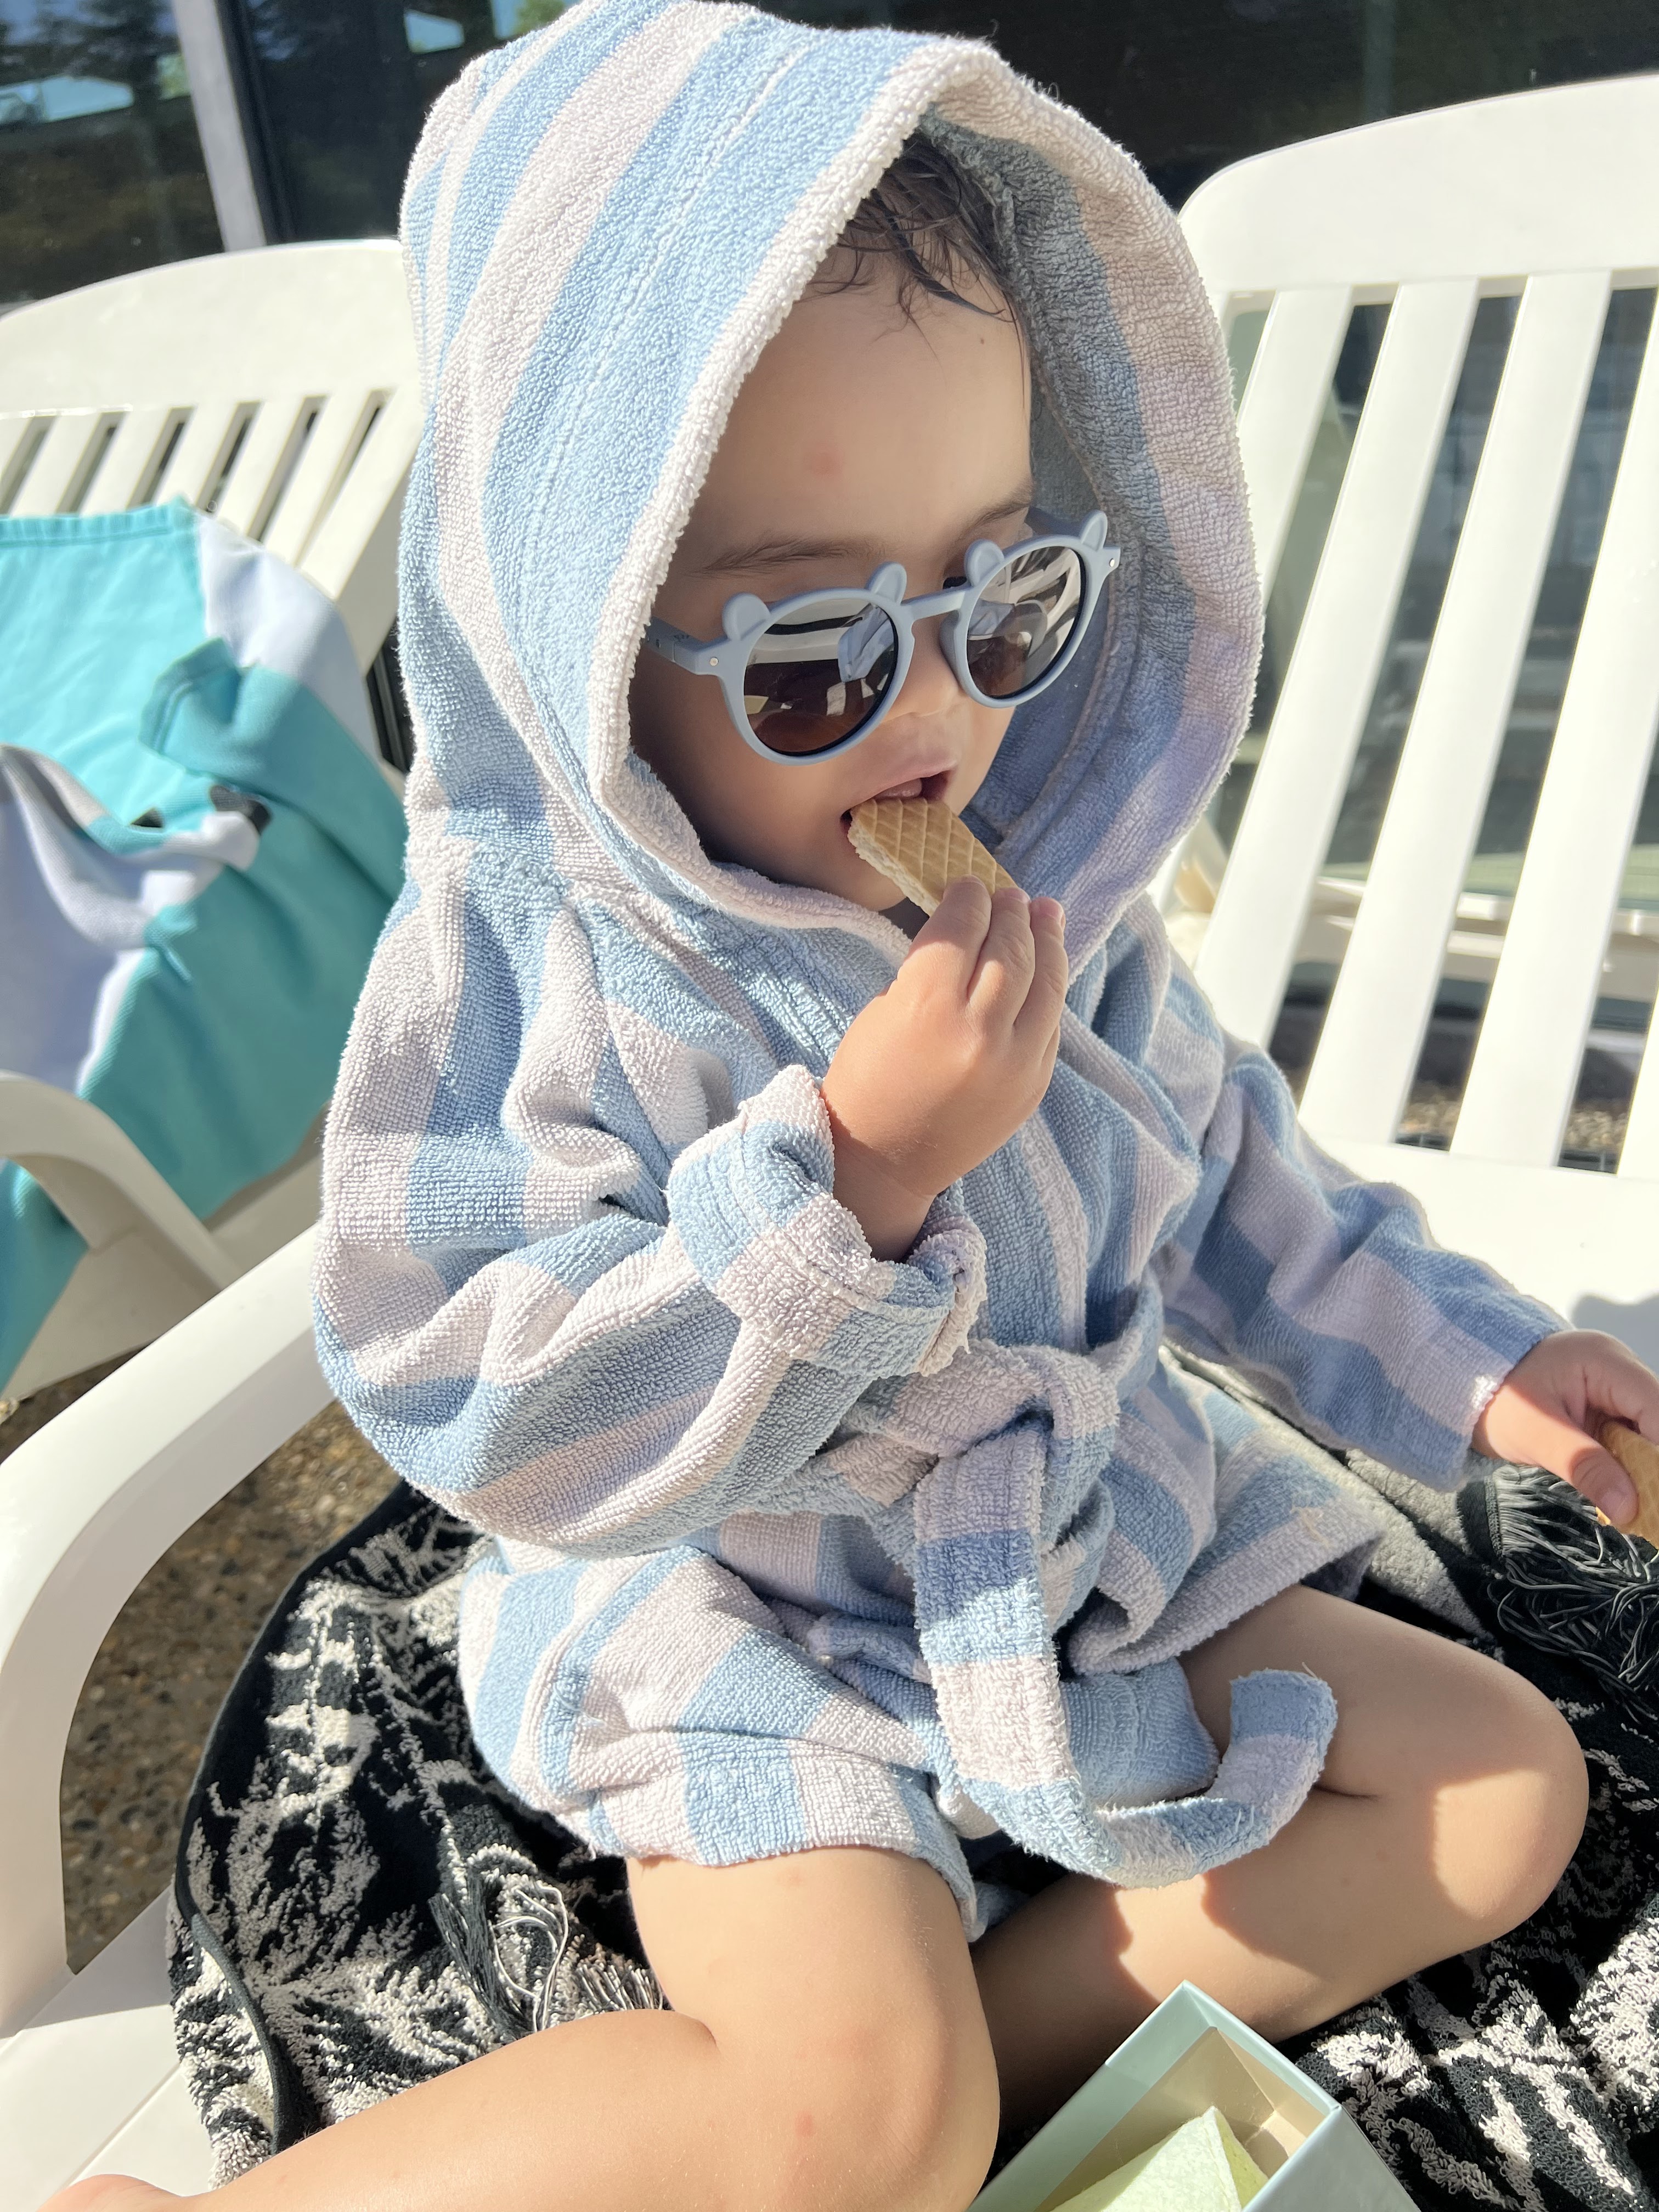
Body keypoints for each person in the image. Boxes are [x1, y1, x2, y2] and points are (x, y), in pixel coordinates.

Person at [58, 3, 1659, 2207]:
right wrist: (854, 1180)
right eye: (812, 653)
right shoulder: (547, 966)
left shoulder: (1046, 886)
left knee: (1502, 1794)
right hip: (752, 1616)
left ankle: (952, 2089)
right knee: (858, 2110)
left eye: (1001, 603)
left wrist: (1477, 1372)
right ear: (583, 634)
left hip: (1085, 1546)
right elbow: (480, 1394)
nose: (936, 719)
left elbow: (1238, 1189)